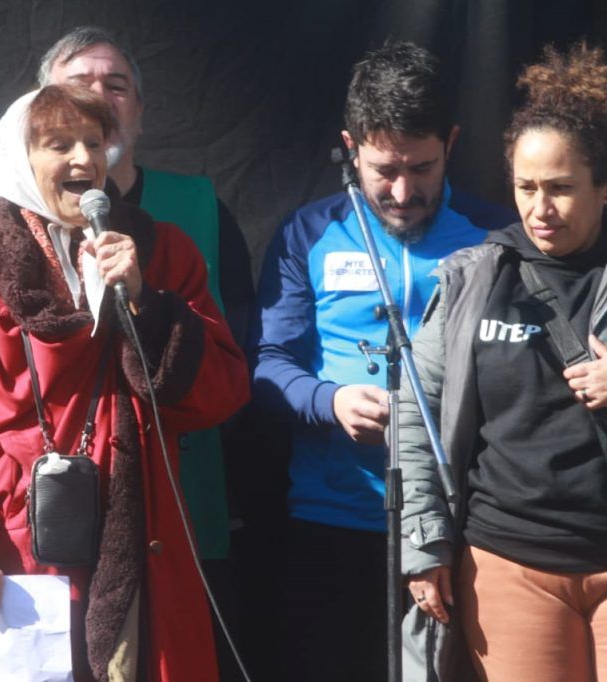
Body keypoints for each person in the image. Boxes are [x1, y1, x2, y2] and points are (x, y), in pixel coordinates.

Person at [0, 84, 249, 682]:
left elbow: (223, 392)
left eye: (94, 143)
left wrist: (147, 306)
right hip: (10, 559)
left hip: (140, 552)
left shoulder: (162, 254)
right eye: (59, 144)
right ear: (21, 159)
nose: (84, 160)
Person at [254, 41, 515, 680]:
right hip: (333, 515)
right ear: (350, 146)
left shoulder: (497, 236)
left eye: (422, 169)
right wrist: (329, 401)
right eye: (382, 170)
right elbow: (266, 366)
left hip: (462, 524)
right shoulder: (307, 233)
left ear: (450, 143)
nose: (403, 192)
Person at [400, 43, 607, 682]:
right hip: (509, 561)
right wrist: (425, 542)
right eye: (526, 187)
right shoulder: (474, 277)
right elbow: (418, 413)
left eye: (563, 189)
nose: (540, 210)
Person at [38, 26, 256, 572]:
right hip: (67, 488)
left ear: (139, 108)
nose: (97, 97)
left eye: (115, 85)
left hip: (183, 471)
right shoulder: (15, 223)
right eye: (78, 84)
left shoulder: (197, 206)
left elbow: (241, 336)